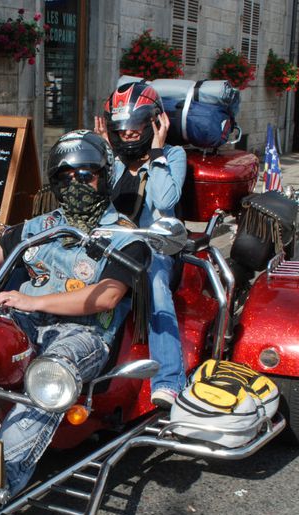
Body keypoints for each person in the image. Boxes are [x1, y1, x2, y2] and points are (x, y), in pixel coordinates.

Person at [0, 130, 150, 515]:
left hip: (84, 332)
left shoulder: (124, 235)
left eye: (86, 175)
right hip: (25, 317)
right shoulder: (43, 224)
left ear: (104, 176)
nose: (76, 185)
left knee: (50, 375)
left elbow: (107, 295)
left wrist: (34, 299)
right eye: (65, 178)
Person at [96, 81, 187, 407]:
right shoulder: (114, 158)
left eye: (136, 126)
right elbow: (94, 202)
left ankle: (170, 380)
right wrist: (103, 152)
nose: (129, 134)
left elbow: (165, 199)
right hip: (112, 242)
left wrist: (158, 150)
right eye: (122, 128)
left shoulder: (173, 155)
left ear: (154, 123)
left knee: (156, 283)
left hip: (156, 246)